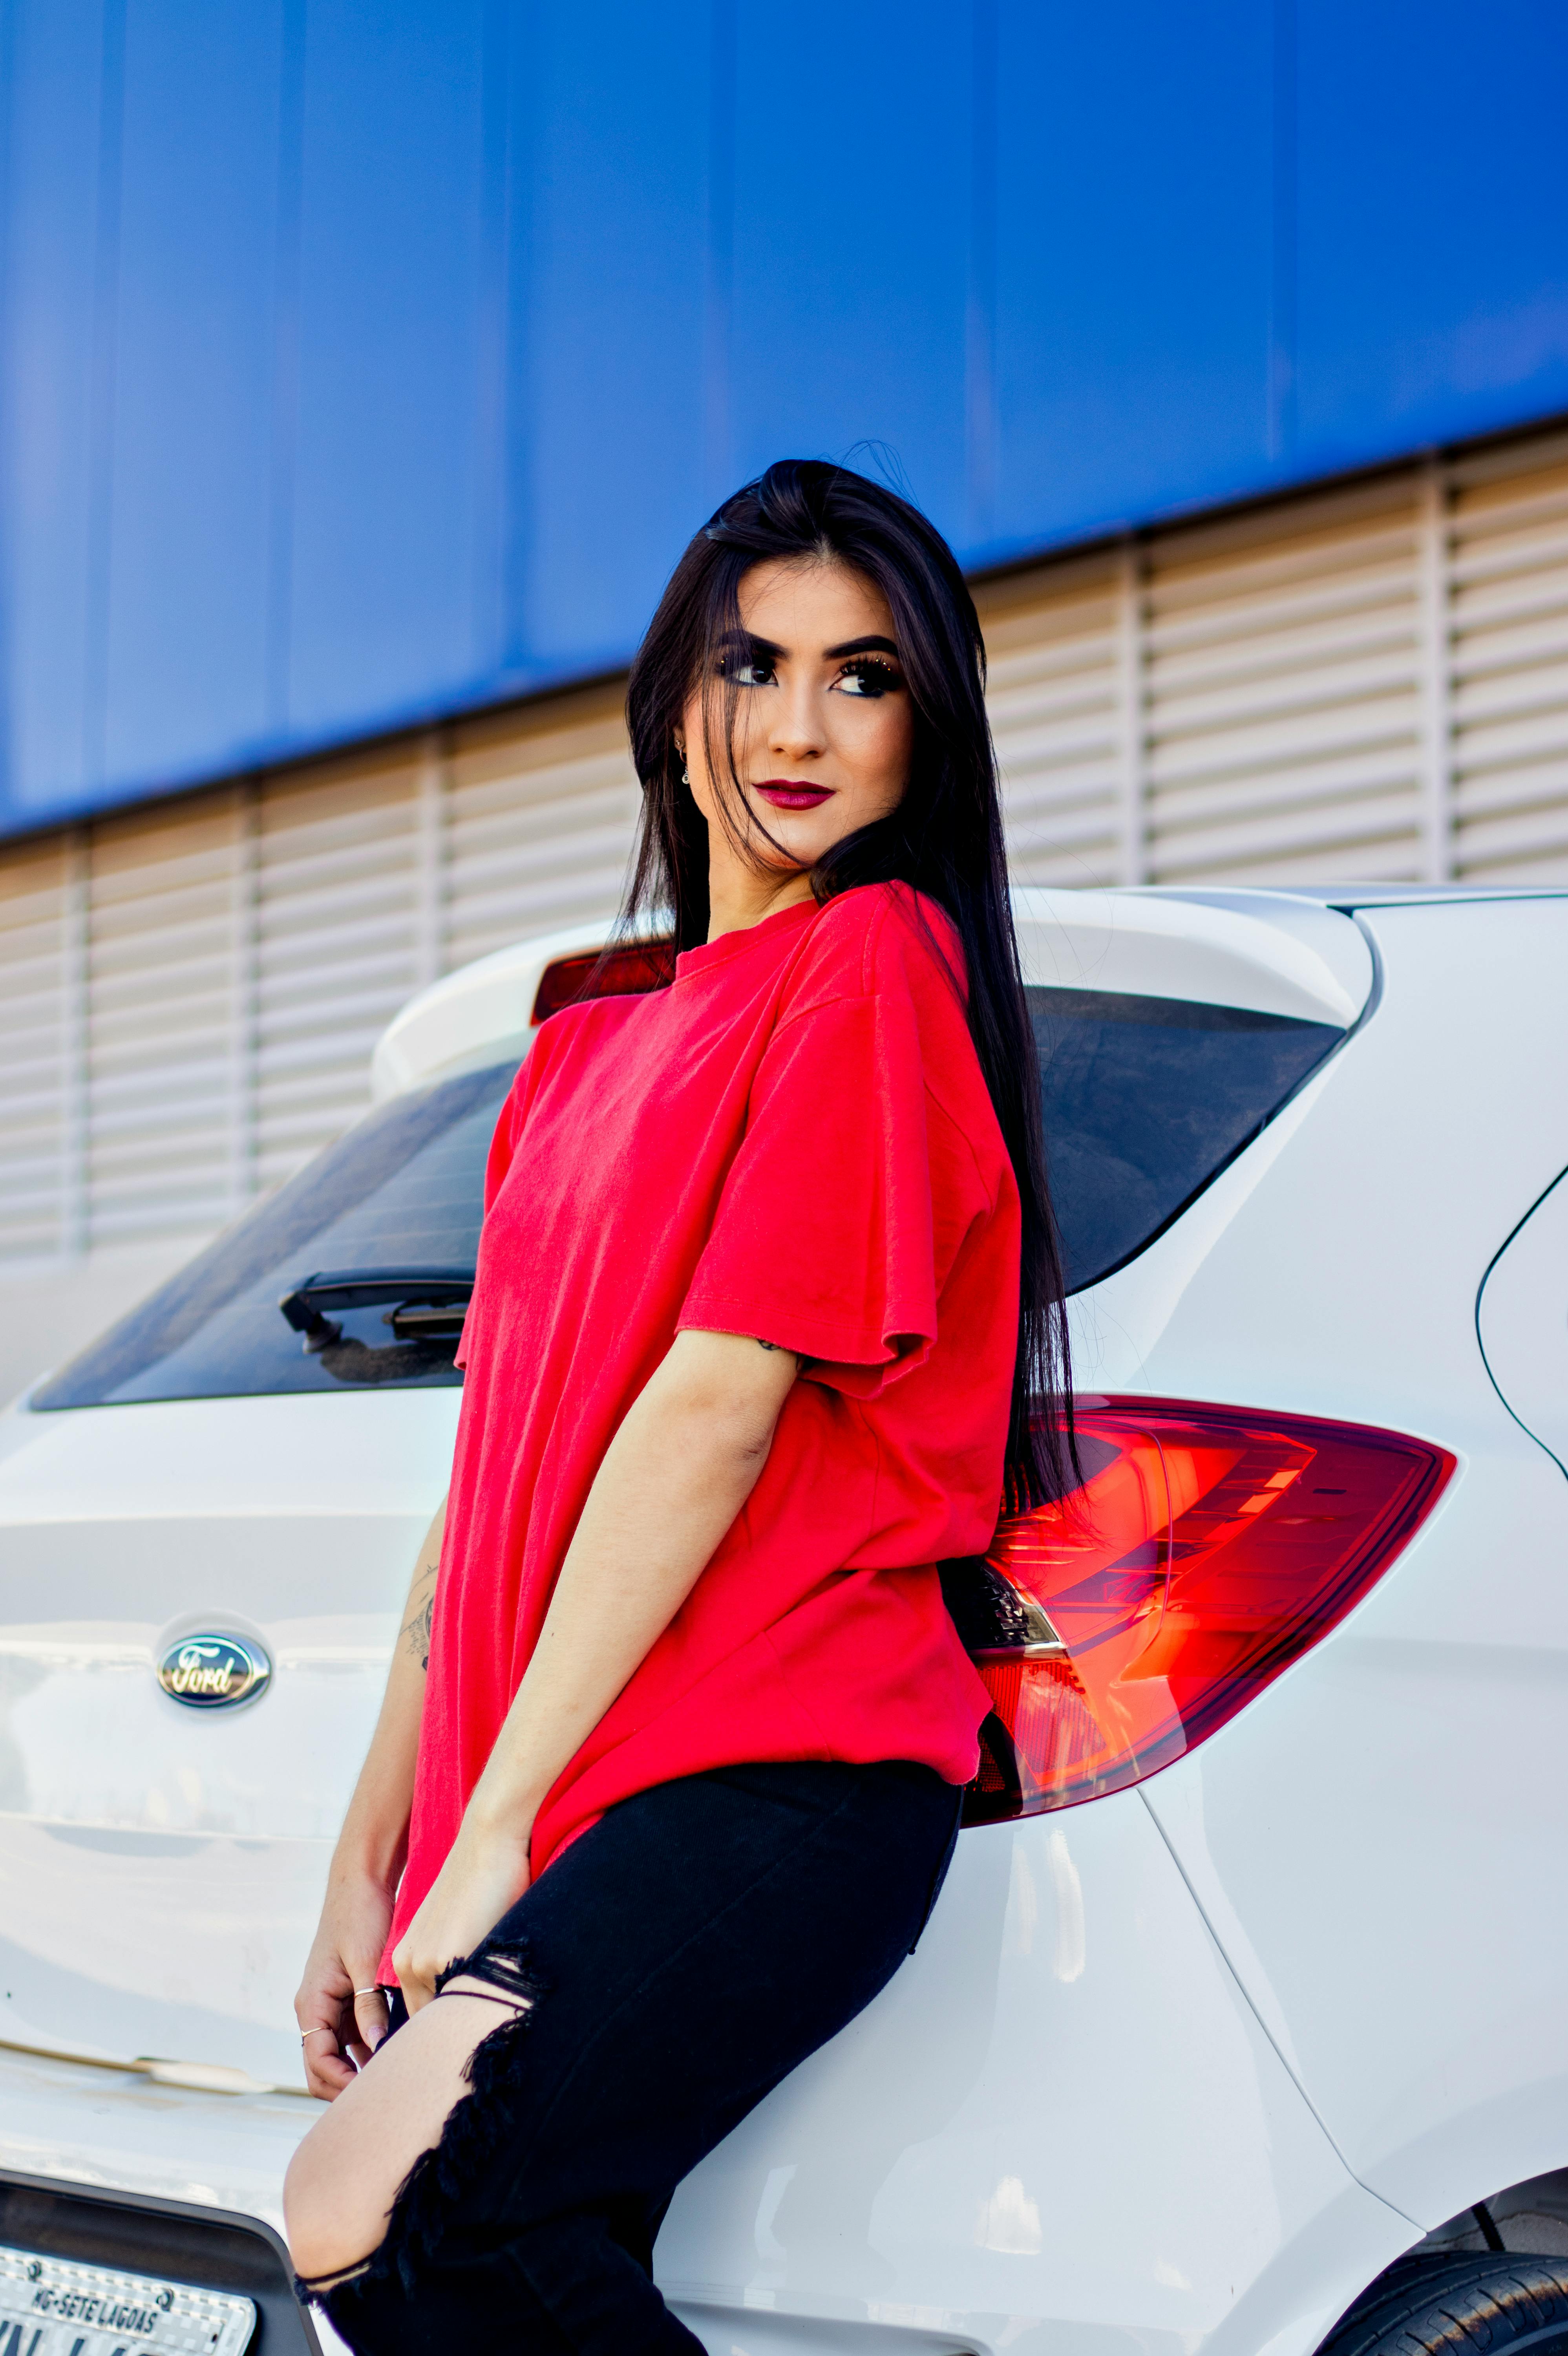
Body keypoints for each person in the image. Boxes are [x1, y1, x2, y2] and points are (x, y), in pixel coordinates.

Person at [283, 457, 1076, 2353]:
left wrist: (496, 1829)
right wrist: (368, 1843)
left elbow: (717, 1406)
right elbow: (492, 1483)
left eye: (865, 677)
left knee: (391, 2215)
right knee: (510, 2257)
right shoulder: (580, 1047)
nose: (800, 726)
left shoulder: (875, 967)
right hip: (574, 1793)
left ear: (926, 729)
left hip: (777, 1769)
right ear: (671, 699)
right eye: (754, 665)